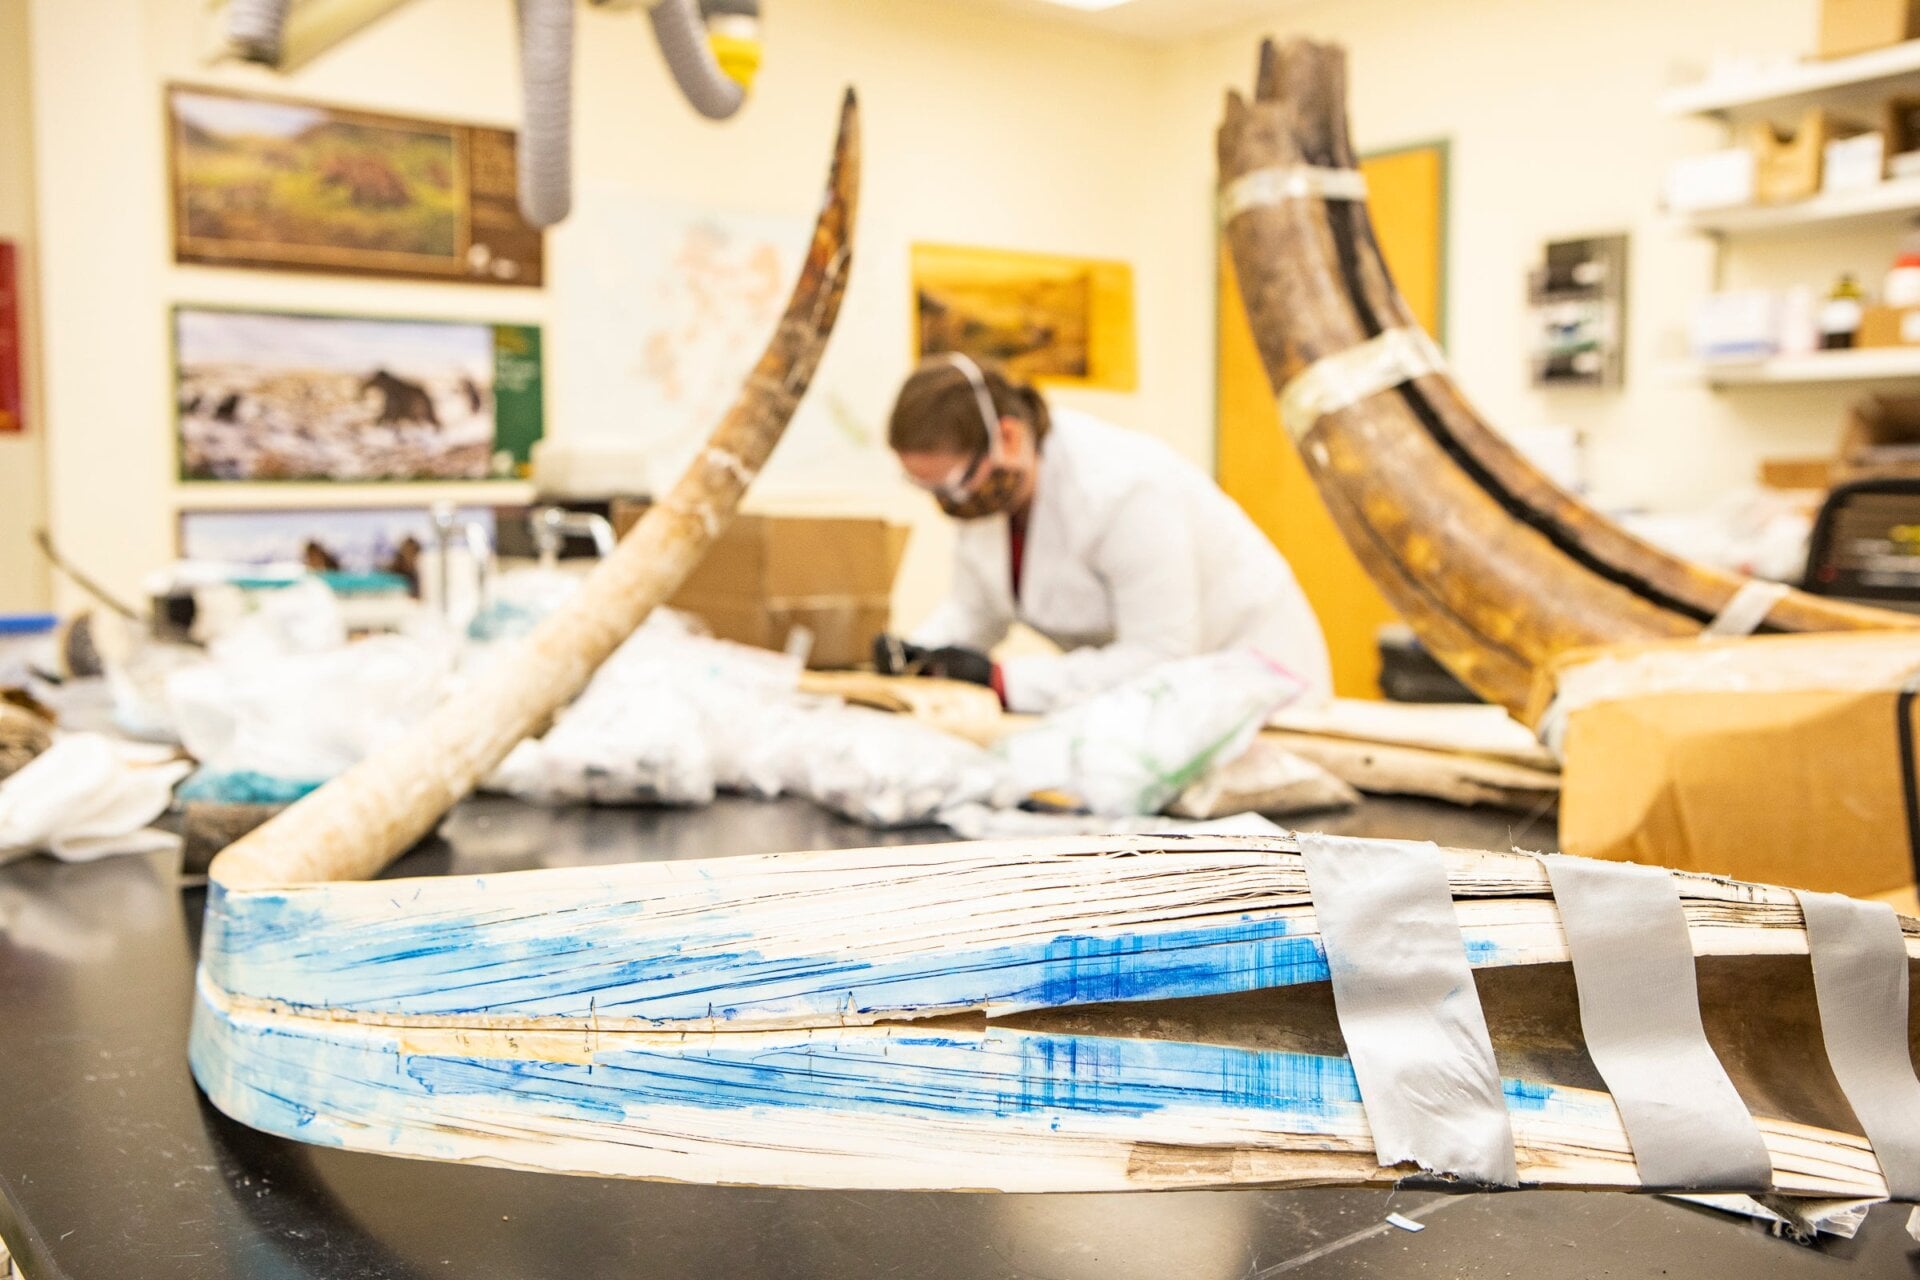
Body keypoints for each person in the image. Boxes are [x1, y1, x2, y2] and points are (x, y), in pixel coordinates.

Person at [876, 353, 1332, 715]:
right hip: (1159, 703)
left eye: (951, 484)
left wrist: (1001, 680)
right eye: (924, 487)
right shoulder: (992, 496)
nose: (947, 503)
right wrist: (918, 656)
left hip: (1254, 681)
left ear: (1009, 439)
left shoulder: (1122, 490)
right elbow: (976, 611)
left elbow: (1159, 656)